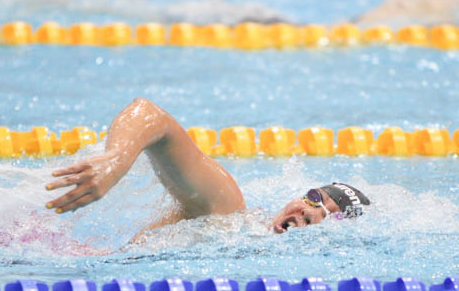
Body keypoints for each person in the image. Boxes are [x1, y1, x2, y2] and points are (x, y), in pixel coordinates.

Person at [45, 98, 369, 235]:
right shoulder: (227, 211)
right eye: (314, 198)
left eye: (327, 216)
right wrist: (116, 160)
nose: (311, 213)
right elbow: (150, 114)